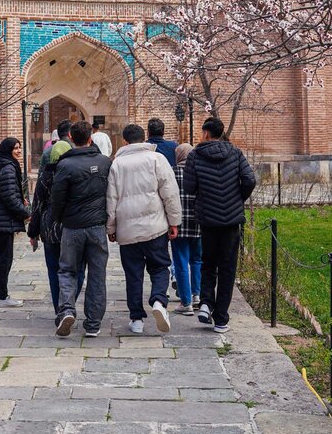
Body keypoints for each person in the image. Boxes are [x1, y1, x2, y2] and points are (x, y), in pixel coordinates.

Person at [106, 124, 182, 334]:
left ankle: (136, 319)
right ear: (145, 139)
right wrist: (174, 221)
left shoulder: (117, 164)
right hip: (155, 227)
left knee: (133, 274)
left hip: (128, 231)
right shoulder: (156, 159)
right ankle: (158, 300)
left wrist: (111, 228)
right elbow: (170, 193)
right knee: (160, 267)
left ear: (125, 141)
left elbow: (111, 199)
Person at [184, 117, 256, 333]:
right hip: (232, 221)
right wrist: (237, 200)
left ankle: (206, 303)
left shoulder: (195, 155)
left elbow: (189, 187)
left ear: (206, 133)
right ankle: (221, 318)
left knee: (208, 263)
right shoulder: (235, 153)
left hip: (208, 219)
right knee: (227, 268)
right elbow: (249, 180)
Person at [51, 120, 111, 338]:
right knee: (97, 274)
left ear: (70, 139)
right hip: (96, 226)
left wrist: (58, 219)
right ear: (90, 138)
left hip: (72, 226)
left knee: (67, 270)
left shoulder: (65, 166)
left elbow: (57, 199)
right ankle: (93, 324)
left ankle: (67, 310)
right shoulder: (105, 162)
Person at [28, 139, 84, 312]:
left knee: (54, 271)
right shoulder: (77, 172)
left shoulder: (45, 175)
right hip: (73, 227)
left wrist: (33, 232)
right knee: (78, 270)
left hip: (50, 229)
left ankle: (60, 308)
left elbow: (37, 205)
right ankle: (69, 303)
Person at [0, 137, 32, 308]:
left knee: (0, 258)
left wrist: (20, 199)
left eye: (20, 147)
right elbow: (9, 197)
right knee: (5, 259)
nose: (18, 151)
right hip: (2, 220)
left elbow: (5, 192)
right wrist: (26, 213)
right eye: (15, 148)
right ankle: (2, 297)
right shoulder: (8, 168)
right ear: (7, 150)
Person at [170, 143, 201, 316]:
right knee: (197, 260)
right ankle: (197, 295)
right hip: (198, 222)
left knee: (181, 262)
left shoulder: (172, 172)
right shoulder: (199, 171)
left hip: (178, 223)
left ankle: (186, 301)